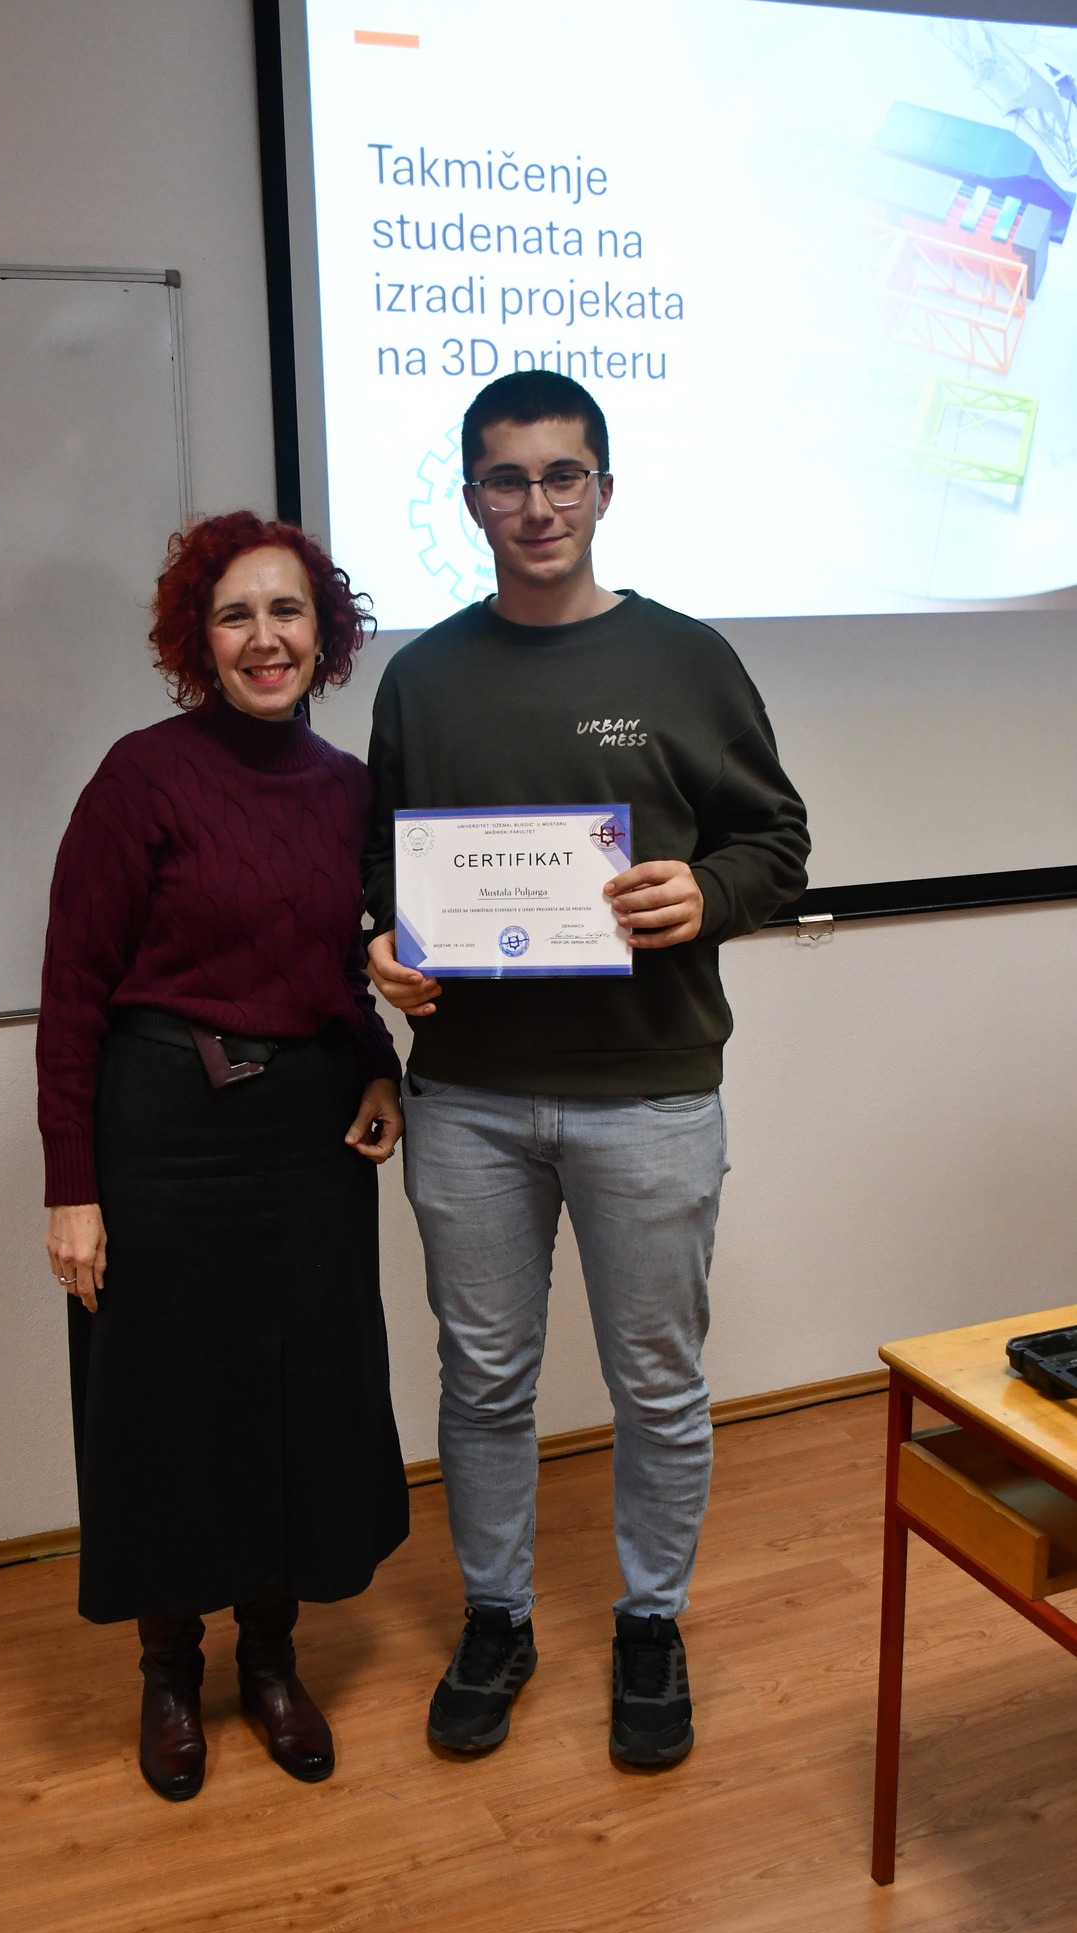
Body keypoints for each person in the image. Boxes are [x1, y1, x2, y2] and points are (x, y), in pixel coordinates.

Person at [363, 371, 810, 1769]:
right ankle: (496, 1615)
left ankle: (649, 1621)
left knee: (657, 1384)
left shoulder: (687, 658)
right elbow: (379, 867)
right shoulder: (422, 677)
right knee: (485, 1379)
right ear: (469, 501)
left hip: (651, 1090)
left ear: (604, 490)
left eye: (563, 476)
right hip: (469, 1099)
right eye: (506, 480)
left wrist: (709, 893)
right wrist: (380, 946)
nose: (537, 505)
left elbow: (776, 843)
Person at [37, 511, 409, 1802]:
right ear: (198, 640)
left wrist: (377, 1063)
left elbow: (337, 966)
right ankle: (167, 1669)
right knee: (165, 1405)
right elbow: (72, 993)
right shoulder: (141, 777)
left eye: (287, 611)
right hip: (162, 1131)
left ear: (325, 632)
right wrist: (72, 1187)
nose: (265, 638)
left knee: (295, 1397)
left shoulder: (347, 788)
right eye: (235, 614)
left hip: (307, 1133)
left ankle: (268, 1658)